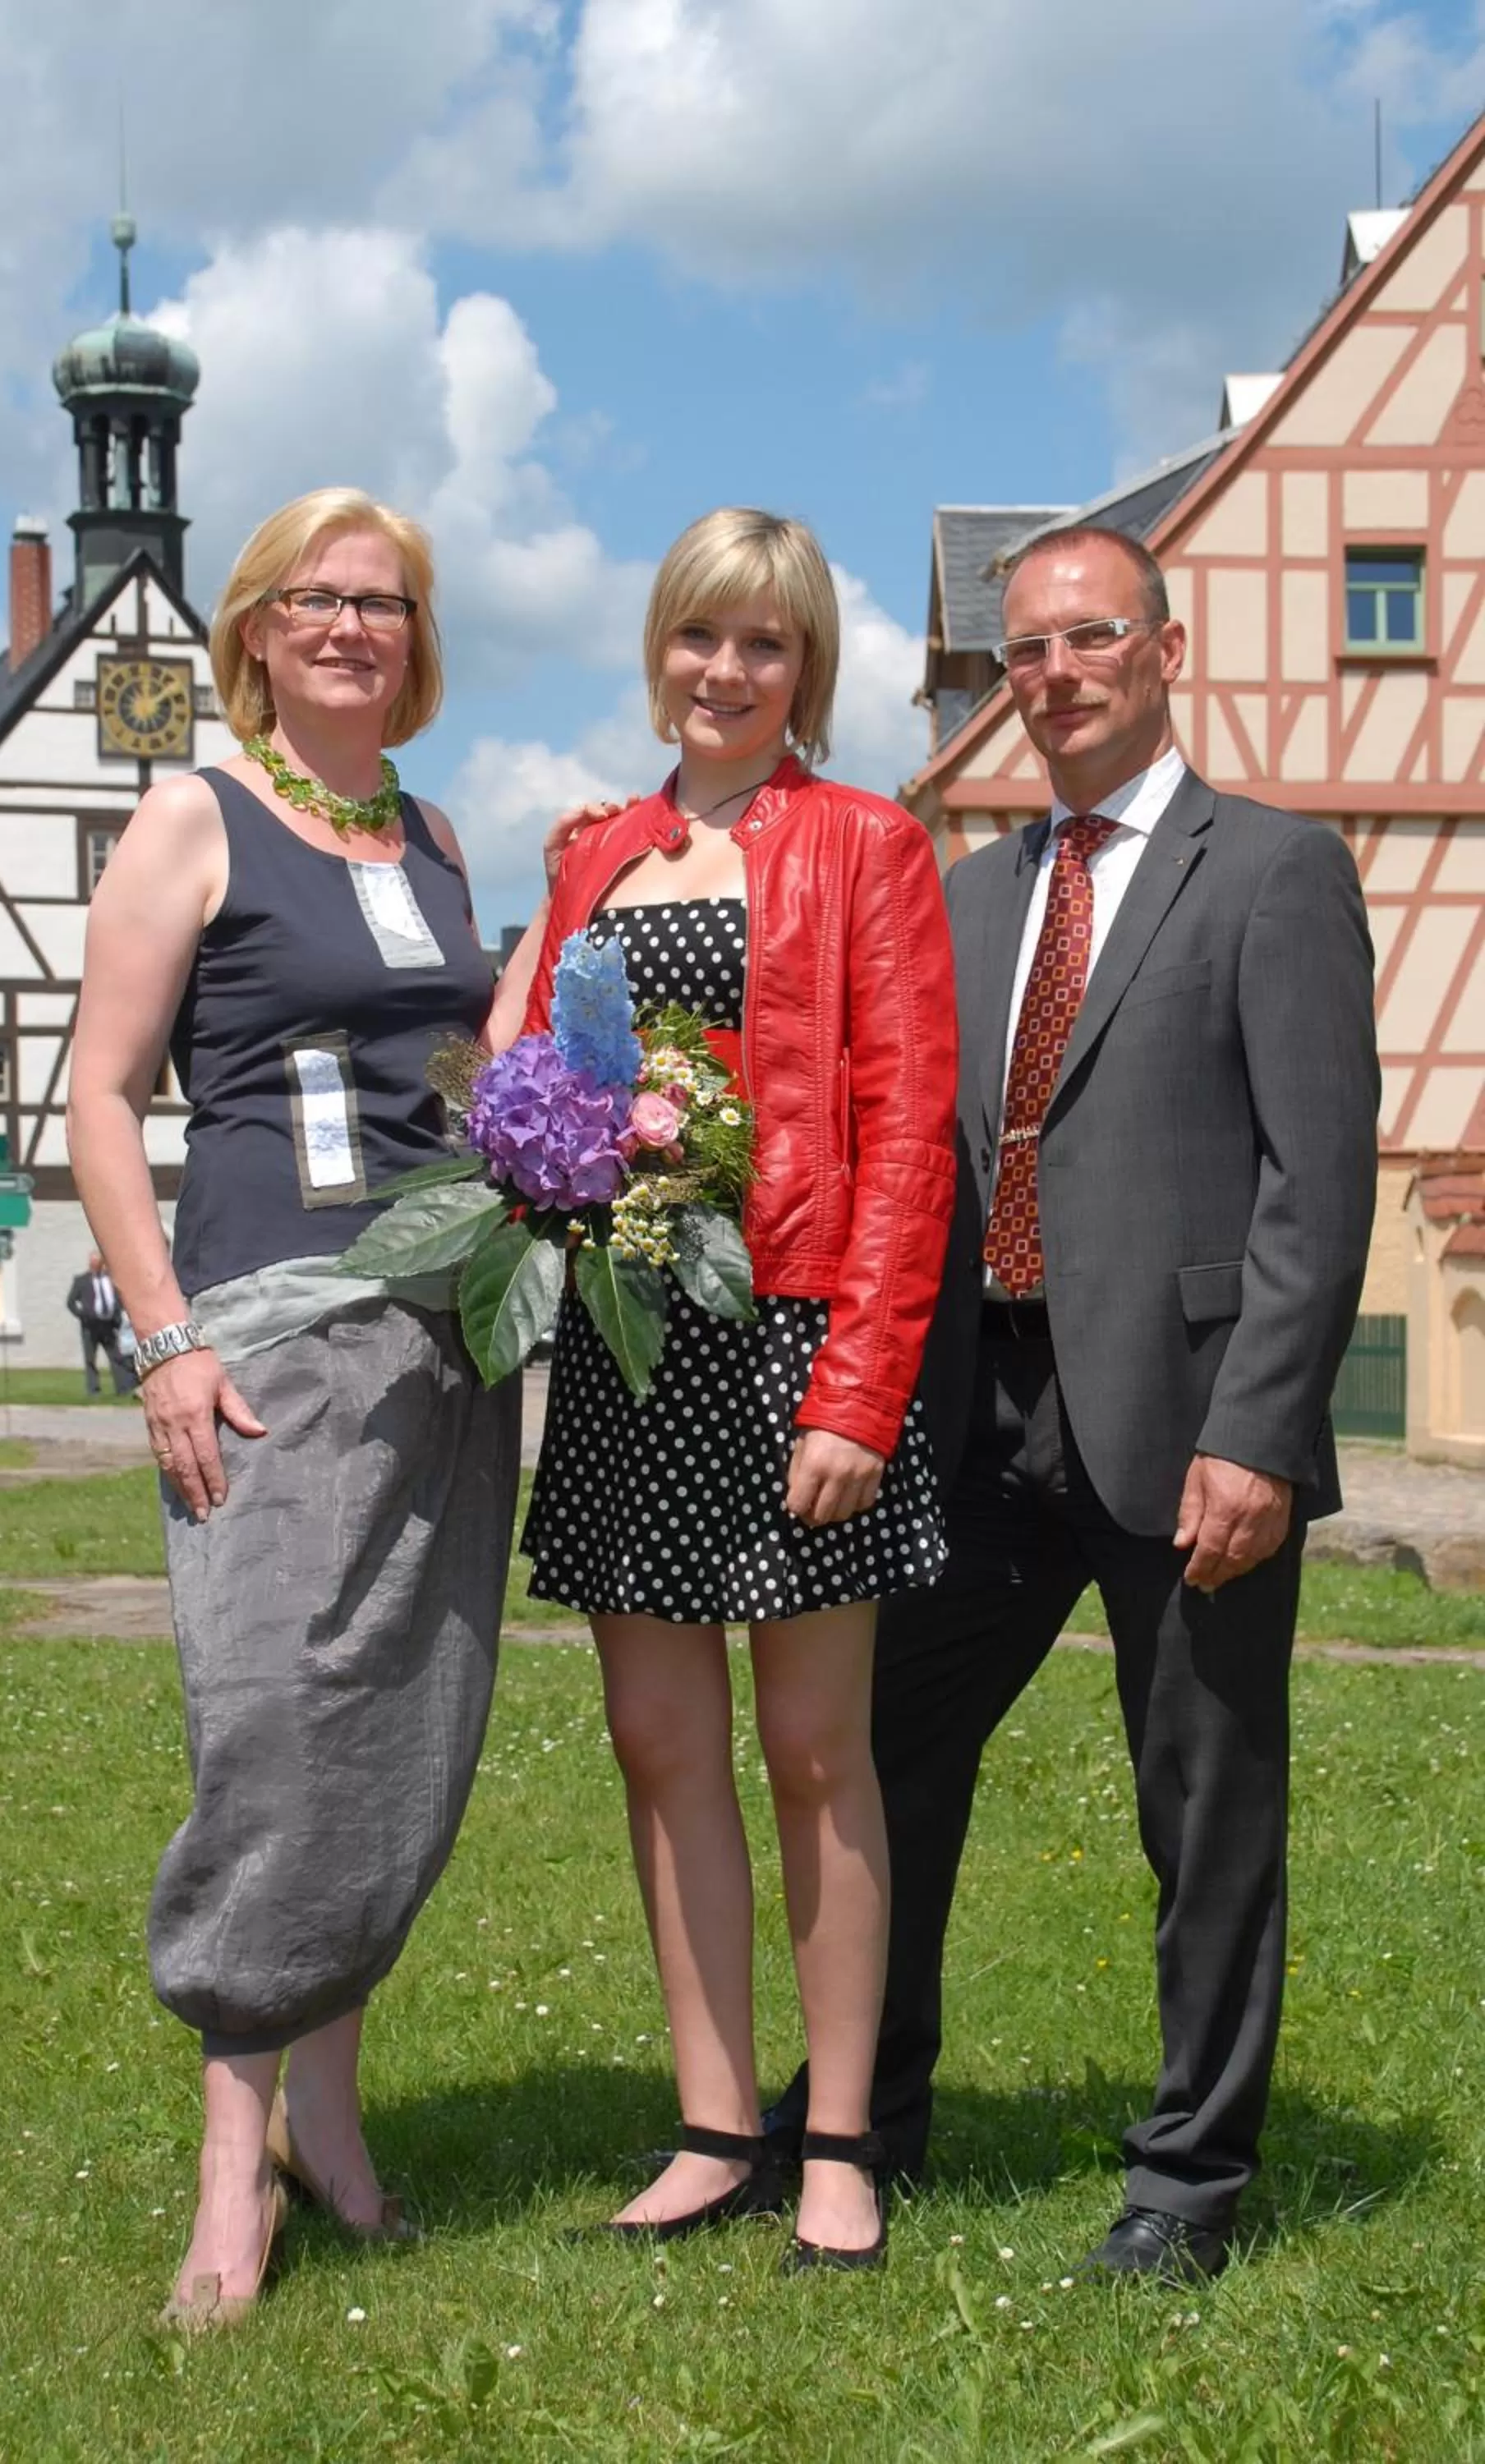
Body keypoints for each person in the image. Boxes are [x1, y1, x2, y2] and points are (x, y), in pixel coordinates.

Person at [769, 523, 1379, 2282]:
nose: (1056, 675)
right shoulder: (965, 898)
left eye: (1091, 640)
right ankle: (864, 2122)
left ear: (1165, 650)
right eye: (1024, 653)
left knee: (1202, 1800)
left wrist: (1261, 1431)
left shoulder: (1273, 872)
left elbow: (1314, 1189)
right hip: (981, 1414)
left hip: (1189, 1421)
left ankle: (1189, 2177)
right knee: (889, 1757)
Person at [67, 487, 526, 2328]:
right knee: (275, 1723)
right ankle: (228, 2172)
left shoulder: (431, 834)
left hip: (453, 1331)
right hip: (268, 1325)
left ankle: (330, 2127)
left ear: (419, 643)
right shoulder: (193, 811)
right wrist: (164, 1337)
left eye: (387, 604)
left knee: (404, 1726)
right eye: (319, 599)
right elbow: (104, 1097)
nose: (354, 627)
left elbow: (461, 1080)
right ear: (255, 627)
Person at [517, 508, 958, 2270]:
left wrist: (858, 1389)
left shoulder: (870, 845)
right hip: (632, 1342)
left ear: (808, 671)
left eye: (765, 645)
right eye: (701, 637)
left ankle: (832, 2137)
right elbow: (536, 1066)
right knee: (659, 1743)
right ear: (660, 650)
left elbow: (911, 1132)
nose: (726, 672)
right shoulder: (595, 851)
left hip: (790, 1340)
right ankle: (715, 2121)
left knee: (815, 1751)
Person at [65, 1251, 136, 1395]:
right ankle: (93, 1389)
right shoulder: (81, 1281)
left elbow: (118, 1299)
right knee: (90, 1358)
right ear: (90, 1264)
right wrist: (82, 1315)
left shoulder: (110, 1279)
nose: (95, 1266)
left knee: (116, 1357)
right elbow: (71, 1303)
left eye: (98, 1263)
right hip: (90, 1326)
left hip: (109, 1325)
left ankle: (123, 1388)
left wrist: (118, 1314)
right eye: (93, 1263)